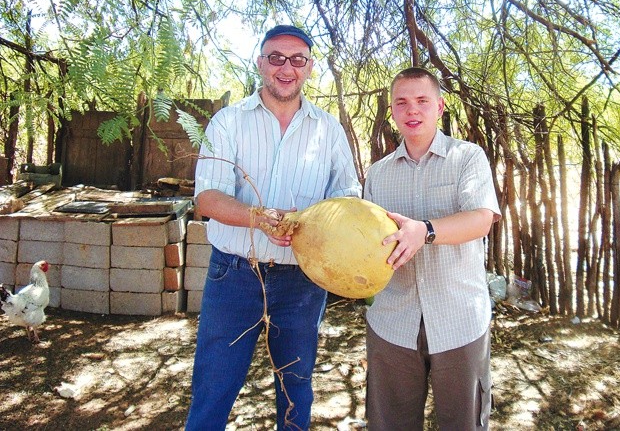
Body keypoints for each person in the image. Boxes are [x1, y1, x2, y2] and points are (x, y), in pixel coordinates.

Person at [186, 24, 361, 430]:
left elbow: (347, 196)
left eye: (298, 59)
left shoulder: (329, 130)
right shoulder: (228, 122)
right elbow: (207, 198)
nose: (287, 67)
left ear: (310, 68)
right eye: (277, 57)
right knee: (214, 385)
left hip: (302, 280)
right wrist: (258, 218)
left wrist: (319, 222)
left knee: (296, 390)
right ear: (261, 62)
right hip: (234, 274)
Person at [363, 67, 501, 430]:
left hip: (459, 320)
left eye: (422, 101)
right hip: (392, 321)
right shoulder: (377, 174)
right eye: (402, 102)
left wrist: (423, 231)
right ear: (391, 111)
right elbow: (366, 244)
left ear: (439, 108)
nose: (412, 111)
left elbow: (482, 219)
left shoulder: (468, 158)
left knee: (463, 423)